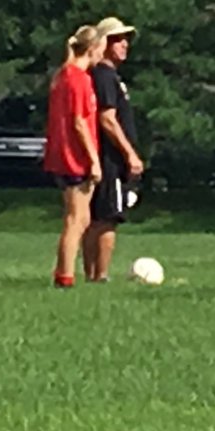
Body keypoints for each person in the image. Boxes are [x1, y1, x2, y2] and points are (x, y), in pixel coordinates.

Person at [83, 17, 143, 284]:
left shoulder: (106, 76)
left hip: (104, 157)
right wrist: (129, 153)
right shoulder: (105, 75)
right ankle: (100, 275)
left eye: (125, 39)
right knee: (108, 217)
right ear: (104, 44)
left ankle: (92, 274)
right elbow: (107, 118)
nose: (124, 44)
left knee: (97, 217)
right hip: (109, 158)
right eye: (117, 39)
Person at [44, 26, 105, 289]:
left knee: (82, 218)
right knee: (75, 219)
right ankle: (64, 275)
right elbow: (80, 122)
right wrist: (94, 159)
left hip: (65, 155)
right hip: (74, 157)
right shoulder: (78, 79)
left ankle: (64, 273)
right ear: (92, 49)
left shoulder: (64, 76)